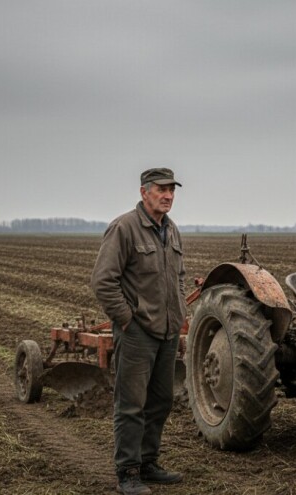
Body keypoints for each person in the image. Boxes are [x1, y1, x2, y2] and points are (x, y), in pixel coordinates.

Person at [91, 167, 187, 495]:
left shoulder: (171, 230)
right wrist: (127, 320)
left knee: (160, 400)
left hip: (168, 331)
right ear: (144, 192)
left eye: (172, 190)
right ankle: (128, 473)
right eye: (161, 189)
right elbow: (103, 281)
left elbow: (179, 276)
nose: (168, 195)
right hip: (137, 332)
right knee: (131, 403)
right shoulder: (125, 228)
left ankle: (149, 462)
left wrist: (180, 312)